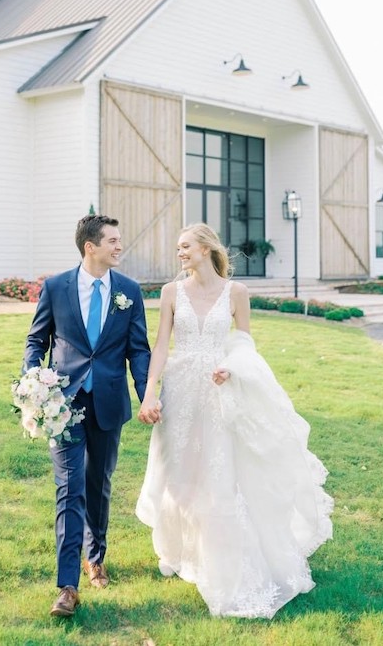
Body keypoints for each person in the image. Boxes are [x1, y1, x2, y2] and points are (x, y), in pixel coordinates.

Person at [136, 223, 333, 619]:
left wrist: (231, 366)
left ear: (206, 248)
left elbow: (244, 343)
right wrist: (150, 391)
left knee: (219, 473)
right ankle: (181, 549)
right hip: (181, 391)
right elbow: (160, 345)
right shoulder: (171, 293)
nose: (180, 253)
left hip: (220, 392)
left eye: (186, 246)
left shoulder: (237, 293)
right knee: (179, 473)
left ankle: (220, 559)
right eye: (178, 248)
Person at [23, 214, 151, 618]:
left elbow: (139, 350)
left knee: (99, 485)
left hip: (109, 402)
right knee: (69, 488)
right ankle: (66, 586)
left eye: (119, 239)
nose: (119, 246)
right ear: (89, 247)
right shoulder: (56, 287)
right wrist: (33, 381)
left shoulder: (128, 291)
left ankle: (96, 556)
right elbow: (36, 339)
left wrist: (146, 394)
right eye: (112, 240)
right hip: (63, 403)